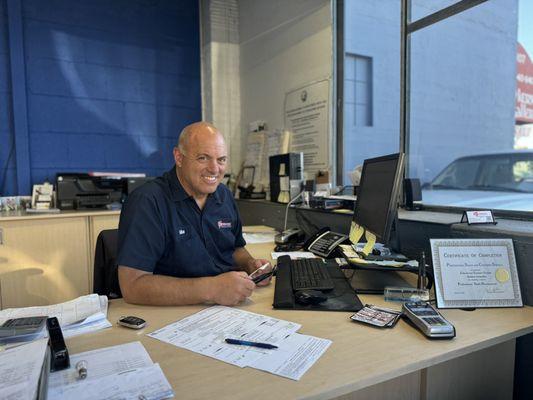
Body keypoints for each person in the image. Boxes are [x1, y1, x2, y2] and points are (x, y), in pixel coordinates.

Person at [117, 122, 271, 306]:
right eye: (203, 158)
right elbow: (132, 287)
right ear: (179, 157)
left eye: (221, 160)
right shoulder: (148, 202)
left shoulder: (224, 195)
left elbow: (235, 248)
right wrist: (213, 289)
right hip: (172, 315)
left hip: (227, 308)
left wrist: (250, 264)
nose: (215, 169)